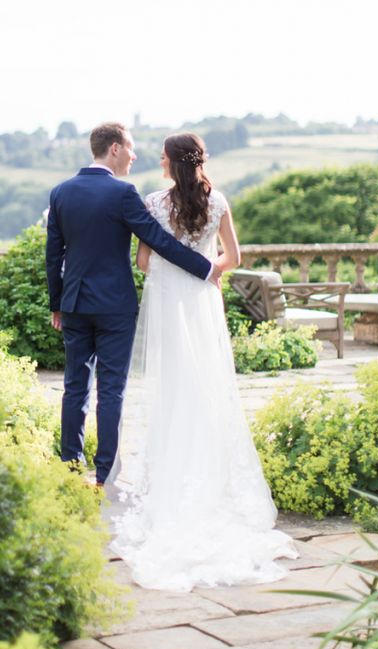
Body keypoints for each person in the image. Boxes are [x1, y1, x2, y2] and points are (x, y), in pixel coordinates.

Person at [110, 132, 298, 592]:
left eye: (160, 157)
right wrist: (207, 270)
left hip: (171, 298)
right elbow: (233, 257)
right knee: (209, 384)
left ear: (172, 163)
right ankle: (212, 480)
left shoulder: (154, 203)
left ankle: (171, 482)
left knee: (172, 386)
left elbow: (143, 262)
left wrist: (175, 271)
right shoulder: (218, 202)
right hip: (202, 299)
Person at [46, 122, 222, 487]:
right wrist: (205, 268)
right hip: (114, 307)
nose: (134, 155)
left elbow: (53, 257)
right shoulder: (123, 194)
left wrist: (56, 304)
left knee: (74, 386)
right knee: (111, 389)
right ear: (114, 149)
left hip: (74, 303)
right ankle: (105, 473)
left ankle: (69, 467)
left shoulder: (61, 192)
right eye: (130, 148)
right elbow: (159, 240)